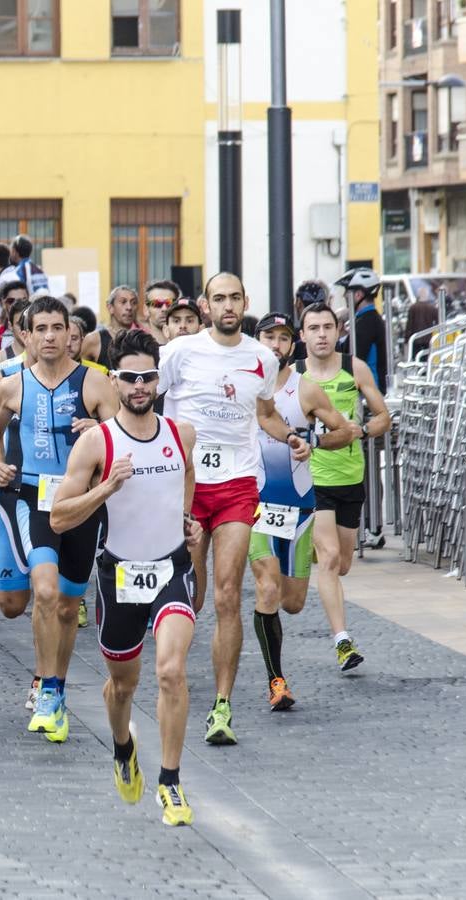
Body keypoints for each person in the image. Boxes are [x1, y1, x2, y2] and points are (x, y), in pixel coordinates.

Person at [49, 329, 202, 825]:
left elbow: (186, 478)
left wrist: (185, 519)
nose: (140, 386)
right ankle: (122, 747)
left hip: (172, 569)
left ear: (159, 379)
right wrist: (107, 488)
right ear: (113, 381)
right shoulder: (97, 442)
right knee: (122, 687)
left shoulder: (181, 435)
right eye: (130, 378)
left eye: (149, 377)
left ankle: (171, 783)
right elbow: (58, 516)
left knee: (171, 672)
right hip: (118, 576)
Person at [157, 272, 310, 746]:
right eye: (218, 298)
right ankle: (173, 672)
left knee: (227, 593)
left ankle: (222, 707)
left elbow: (264, 413)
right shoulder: (178, 353)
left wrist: (290, 436)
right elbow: (146, 401)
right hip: (186, 483)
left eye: (234, 298)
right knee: (194, 594)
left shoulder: (262, 357)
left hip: (238, 484)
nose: (227, 306)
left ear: (245, 302)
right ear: (205, 305)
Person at [0, 296, 119, 742]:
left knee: (65, 602)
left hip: (81, 503)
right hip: (32, 498)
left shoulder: (96, 385)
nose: (48, 337)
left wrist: (99, 435)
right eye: (39, 329)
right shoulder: (12, 385)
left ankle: (55, 688)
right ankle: (46, 688)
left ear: (69, 333)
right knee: (43, 590)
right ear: (25, 334)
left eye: (56, 328)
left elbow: (123, 441)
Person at [247, 313, 356, 711]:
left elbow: (345, 431)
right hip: (254, 502)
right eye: (268, 337)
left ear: (292, 345)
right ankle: (276, 681)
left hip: (298, 505)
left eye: (282, 338)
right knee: (267, 588)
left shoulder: (305, 390)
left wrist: (316, 442)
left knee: (292, 602)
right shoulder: (242, 387)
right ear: (256, 341)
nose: (275, 345)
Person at [299, 301, 392, 673]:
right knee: (331, 556)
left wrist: (363, 430)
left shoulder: (355, 368)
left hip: (350, 476)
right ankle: (342, 640)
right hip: (312, 477)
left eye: (327, 327)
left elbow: (384, 415)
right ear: (302, 335)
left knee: (343, 564)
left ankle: (308, 551)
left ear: (338, 331)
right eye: (313, 328)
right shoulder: (294, 376)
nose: (321, 334)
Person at [337, 267, 388, 391]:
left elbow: (352, 362)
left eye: (347, 292)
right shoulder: (368, 318)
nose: (344, 296)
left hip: (367, 394)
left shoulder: (366, 322)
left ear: (358, 294)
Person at [82, 285, 147, 364]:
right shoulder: (94, 340)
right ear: (110, 307)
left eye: (133, 303)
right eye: (123, 302)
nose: (129, 307)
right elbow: (80, 372)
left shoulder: (142, 340)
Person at [144, 279, 181, 345]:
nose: (164, 309)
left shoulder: (189, 346)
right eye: (157, 304)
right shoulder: (138, 347)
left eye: (170, 303)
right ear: (146, 309)